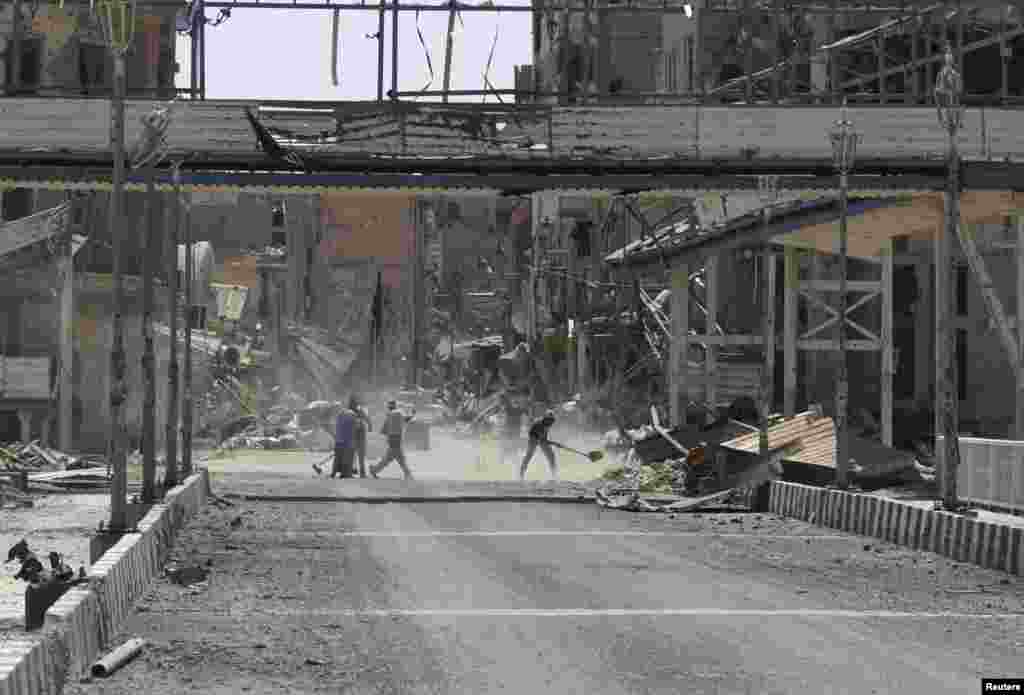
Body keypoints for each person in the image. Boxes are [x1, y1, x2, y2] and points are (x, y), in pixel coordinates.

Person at [369, 399, 414, 480]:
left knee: (391, 458)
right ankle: (408, 474)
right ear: (395, 405)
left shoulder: (389, 415)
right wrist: (412, 414)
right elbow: (406, 419)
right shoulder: (398, 412)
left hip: (391, 438)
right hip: (397, 438)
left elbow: (383, 431)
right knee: (399, 458)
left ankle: (374, 470)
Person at [520, 409, 557, 481]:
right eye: (549, 419)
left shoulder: (548, 423)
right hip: (533, 438)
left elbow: (544, 436)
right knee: (529, 455)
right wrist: (545, 441)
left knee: (551, 455)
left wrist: (547, 442)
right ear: (545, 418)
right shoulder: (538, 424)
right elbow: (533, 434)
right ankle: (521, 474)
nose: (550, 422)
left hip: (541, 439)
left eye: (552, 420)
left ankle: (554, 475)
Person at [332, 401, 357, 479]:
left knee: (338, 458)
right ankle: (346, 473)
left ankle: (333, 473)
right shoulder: (352, 414)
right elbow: (353, 427)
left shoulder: (340, 414)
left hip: (339, 440)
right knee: (347, 458)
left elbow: (339, 427)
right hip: (346, 441)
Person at [350, 396, 371, 479]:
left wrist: (369, 426)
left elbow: (367, 419)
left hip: (357, 434)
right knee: (358, 454)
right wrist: (369, 427)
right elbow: (368, 419)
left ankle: (356, 471)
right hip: (357, 434)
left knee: (355, 454)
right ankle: (357, 471)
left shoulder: (357, 410)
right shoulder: (358, 410)